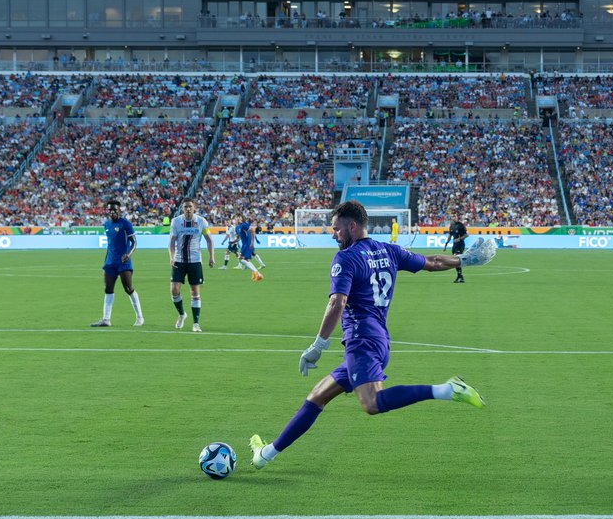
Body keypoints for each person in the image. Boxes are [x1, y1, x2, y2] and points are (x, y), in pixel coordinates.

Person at [249, 201, 491, 470]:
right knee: (318, 396)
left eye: (337, 229)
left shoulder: (346, 258)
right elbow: (432, 262)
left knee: (372, 403)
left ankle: (447, 390)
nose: (333, 235)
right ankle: (266, 454)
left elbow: (337, 303)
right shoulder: (388, 250)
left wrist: (318, 345)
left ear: (352, 226)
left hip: (361, 341)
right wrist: (466, 260)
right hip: (378, 339)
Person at [90, 199, 144, 327]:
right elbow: (109, 245)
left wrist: (128, 254)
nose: (112, 212)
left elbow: (134, 242)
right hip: (110, 263)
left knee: (128, 289)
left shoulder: (125, 224)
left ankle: (140, 317)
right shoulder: (107, 225)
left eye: (115, 210)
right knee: (108, 289)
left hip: (123, 262)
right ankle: (106, 319)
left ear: (119, 210)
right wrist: (105, 262)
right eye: (110, 210)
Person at [168, 199, 215, 333]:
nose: (188, 209)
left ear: (194, 208)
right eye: (185, 207)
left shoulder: (201, 221)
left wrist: (212, 257)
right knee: (174, 290)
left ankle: (196, 323)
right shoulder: (176, 221)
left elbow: (209, 241)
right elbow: (171, 242)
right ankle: (182, 314)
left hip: (195, 261)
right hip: (179, 260)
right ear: (182, 209)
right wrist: (171, 257)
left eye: (190, 206)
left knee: (194, 292)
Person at [444, 218, 468, 283]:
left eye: (451, 219)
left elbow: (466, 235)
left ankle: (460, 277)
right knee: (456, 261)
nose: (450, 221)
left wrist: (459, 239)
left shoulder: (460, 225)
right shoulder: (451, 226)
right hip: (454, 245)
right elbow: (450, 235)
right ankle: (460, 276)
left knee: (456, 259)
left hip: (460, 244)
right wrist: (446, 243)